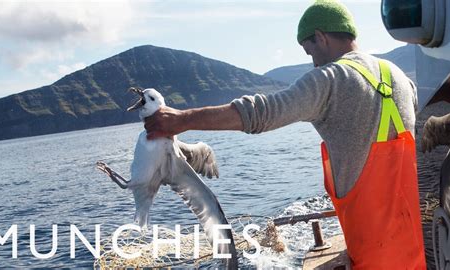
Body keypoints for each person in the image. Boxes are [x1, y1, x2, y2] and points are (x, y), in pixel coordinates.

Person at [144, 0, 426, 268]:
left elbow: (260, 112)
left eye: (310, 50)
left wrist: (181, 119)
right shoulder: (400, 78)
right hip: (412, 246)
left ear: (321, 37)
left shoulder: (329, 79)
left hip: (373, 252)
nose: (313, 62)